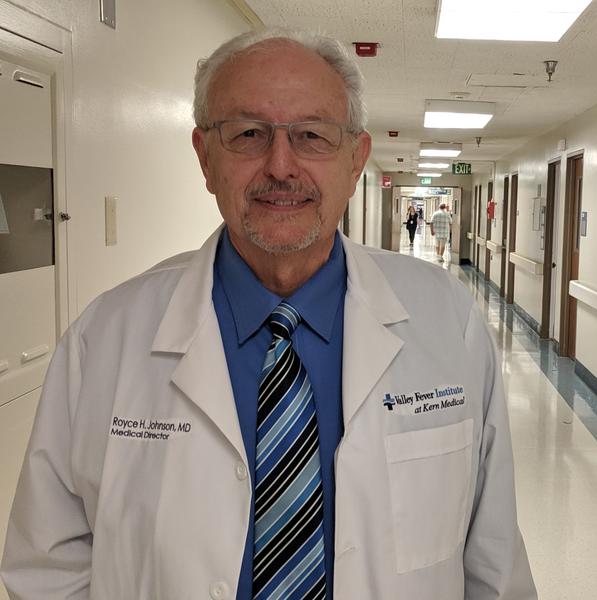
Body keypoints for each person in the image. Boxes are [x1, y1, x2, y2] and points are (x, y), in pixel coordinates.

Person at [0, 28, 536, 600]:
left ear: (355, 160)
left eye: (312, 135)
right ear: (205, 158)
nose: (281, 166)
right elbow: (47, 569)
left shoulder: (447, 320)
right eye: (249, 134)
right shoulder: (105, 338)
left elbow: (493, 563)